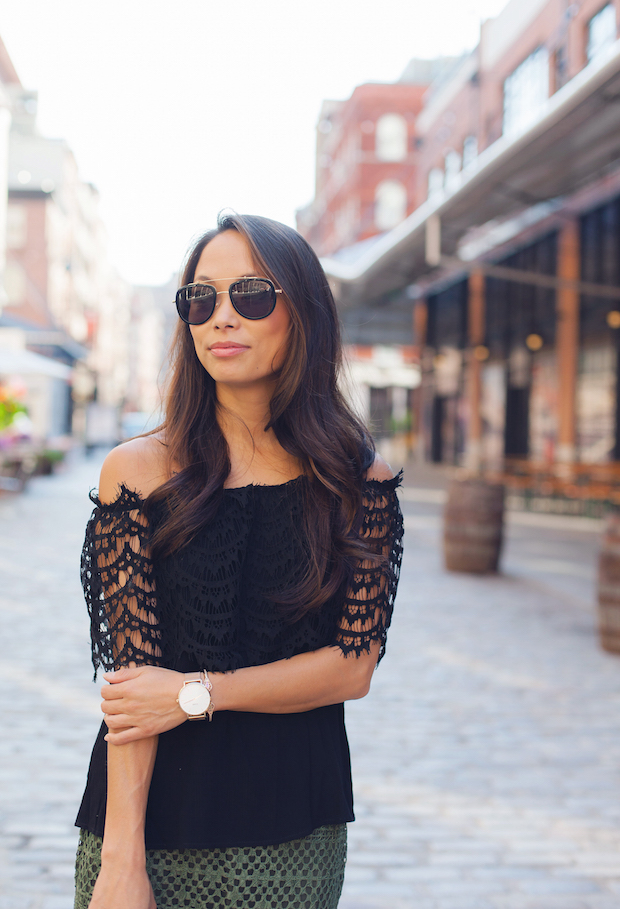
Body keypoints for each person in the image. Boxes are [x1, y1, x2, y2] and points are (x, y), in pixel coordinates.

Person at [74, 213, 404, 909]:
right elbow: (136, 692)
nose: (221, 317)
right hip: (149, 826)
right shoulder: (135, 471)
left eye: (251, 295)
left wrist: (196, 693)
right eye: (201, 299)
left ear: (302, 311)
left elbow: (353, 667)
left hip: (293, 828)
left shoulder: (356, 479)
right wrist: (122, 863)